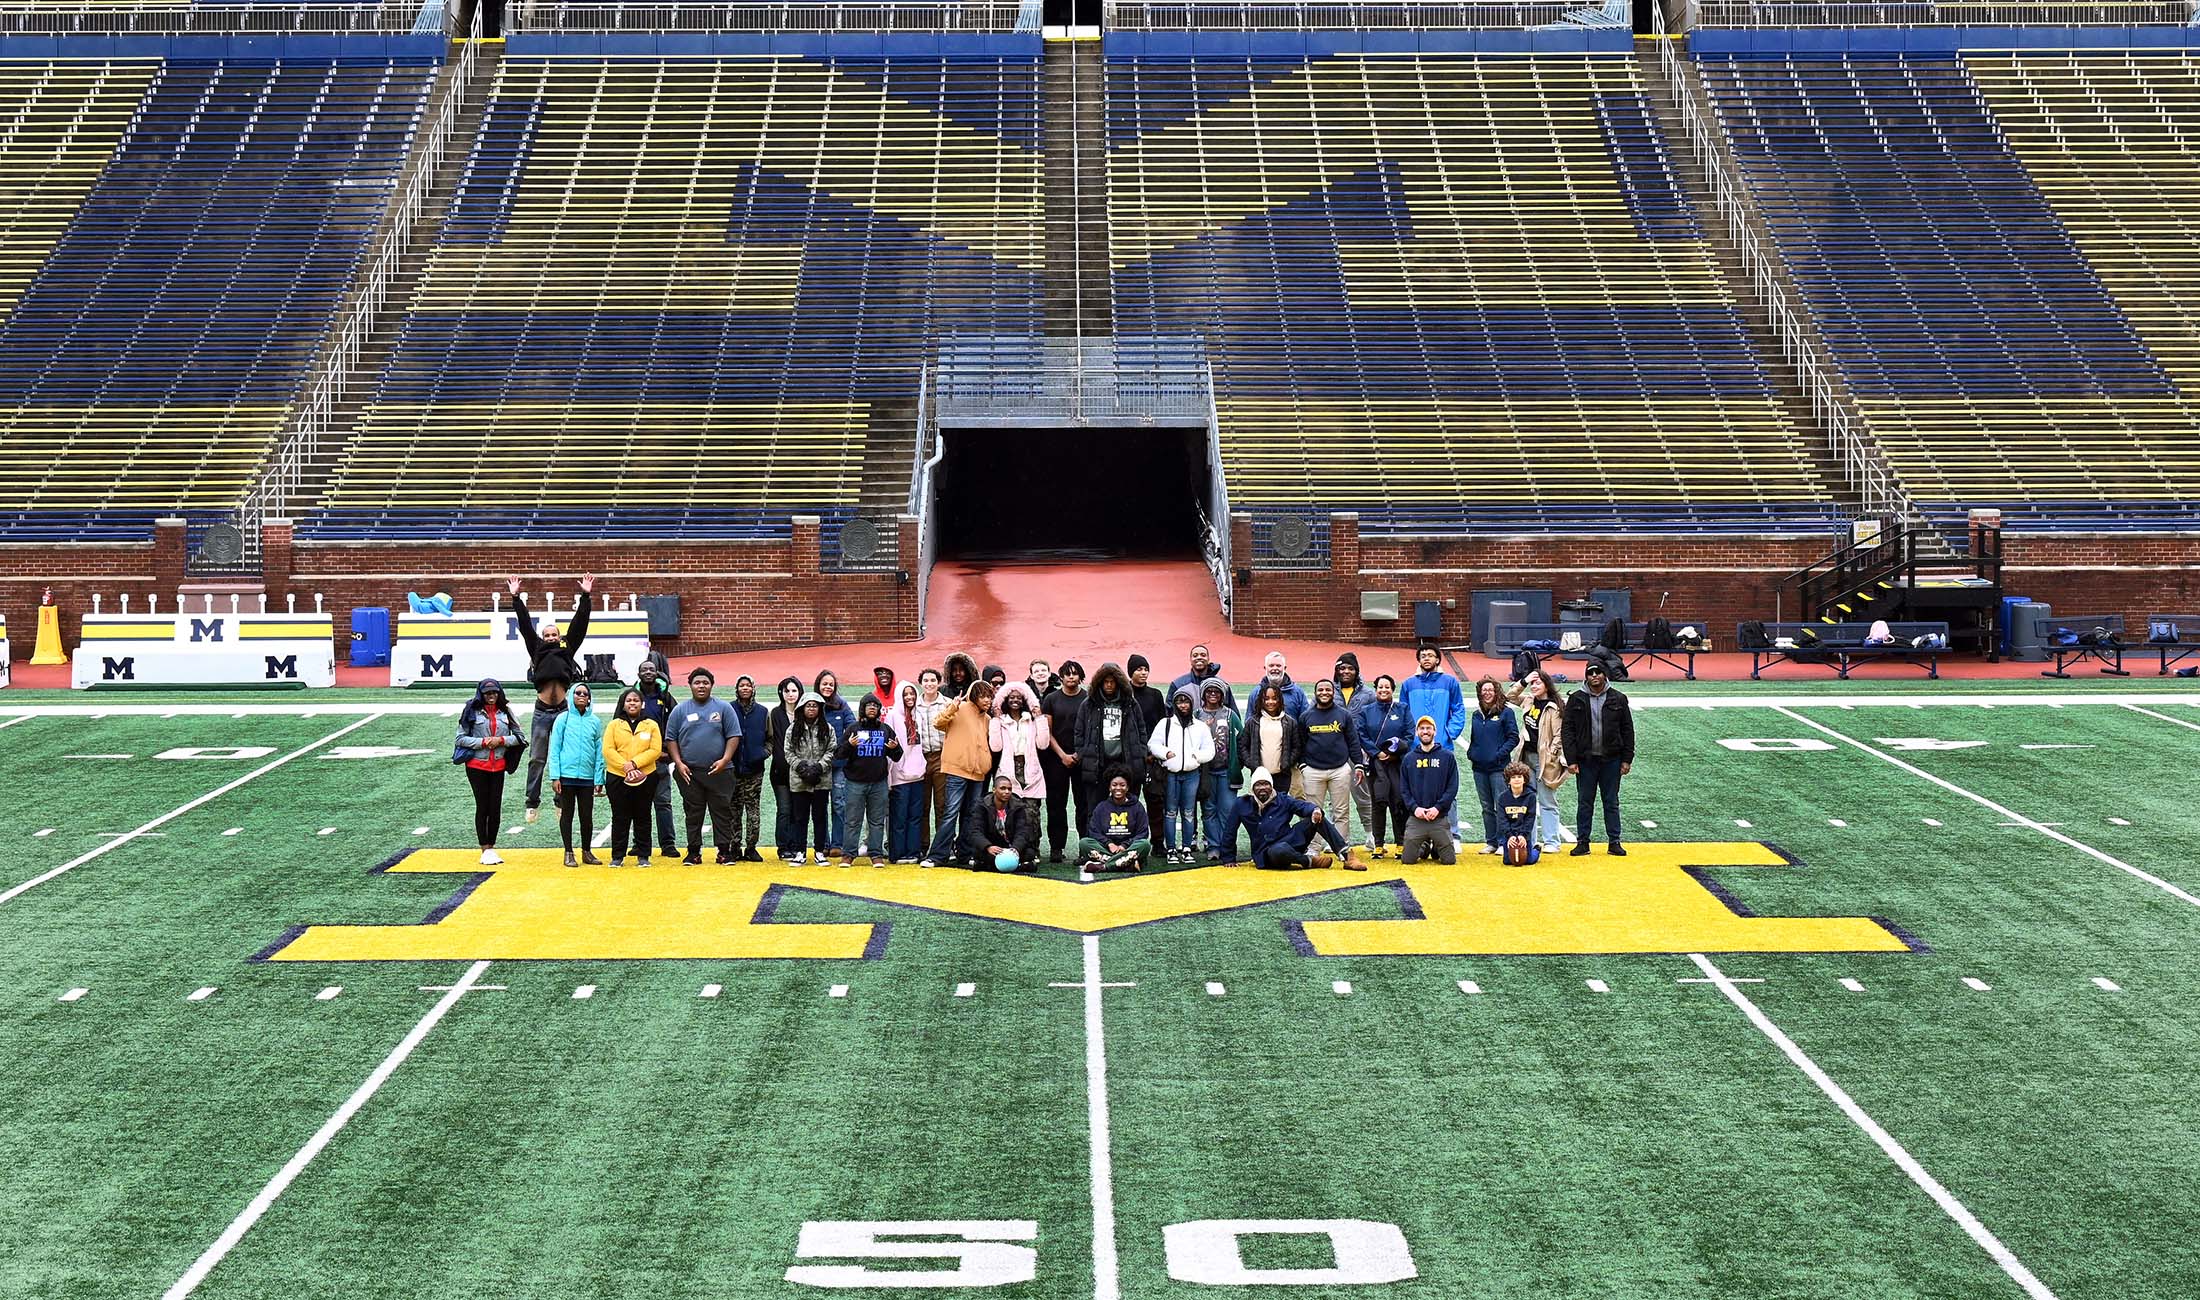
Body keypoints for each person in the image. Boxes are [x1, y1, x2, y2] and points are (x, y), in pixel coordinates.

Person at [507, 574, 594, 823]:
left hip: (564, 712)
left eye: (554, 634)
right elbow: (524, 625)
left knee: (564, 758)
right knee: (537, 758)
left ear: (560, 636)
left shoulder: (567, 650)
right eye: (547, 635)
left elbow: (580, 624)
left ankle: (560, 801)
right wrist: (515, 598)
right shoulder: (537, 649)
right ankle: (532, 802)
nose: (550, 638)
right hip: (543, 711)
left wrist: (585, 596)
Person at [667, 667, 742, 865]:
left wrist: (725, 760)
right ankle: (693, 852)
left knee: (722, 812)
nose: (701, 686)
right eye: (697, 683)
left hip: (720, 771)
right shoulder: (680, 710)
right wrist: (679, 763)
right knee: (693, 812)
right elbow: (671, 739)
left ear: (712, 685)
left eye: (705, 683)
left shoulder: (724, 708)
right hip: (690, 772)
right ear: (690, 685)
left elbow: (733, 735)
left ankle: (724, 852)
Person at [1218, 767, 1357, 871]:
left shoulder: (1282, 799)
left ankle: (1346, 855)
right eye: (1258, 785)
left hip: (1290, 841)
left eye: (1266, 784)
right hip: (1267, 853)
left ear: (1271, 786)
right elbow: (1230, 830)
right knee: (1279, 850)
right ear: (1252, 787)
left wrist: (1314, 810)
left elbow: (1302, 806)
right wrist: (1228, 858)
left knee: (1317, 817)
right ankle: (1308, 861)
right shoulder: (1241, 804)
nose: (1262, 788)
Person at [1563, 661, 1635, 856]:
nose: (1594, 676)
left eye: (1598, 672)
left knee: (1611, 801)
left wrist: (1627, 759)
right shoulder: (1576, 699)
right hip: (1585, 760)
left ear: (1605, 675)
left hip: (1611, 759)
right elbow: (1567, 731)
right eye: (1590, 673)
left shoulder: (1618, 698)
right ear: (1586, 676)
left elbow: (1627, 729)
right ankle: (1583, 842)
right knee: (1585, 802)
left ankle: (1614, 841)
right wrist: (1571, 760)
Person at [925, 679, 996, 868]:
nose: (987, 700)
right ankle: (937, 855)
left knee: (971, 815)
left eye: (989, 696)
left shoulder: (987, 719)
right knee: (951, 813)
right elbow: (938, 723)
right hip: (957, 770)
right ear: (974, 696)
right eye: (983, 696)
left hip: (978, 773)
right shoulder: (959, 708)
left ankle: (965, 854)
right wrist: (952, 707)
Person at [454, 677, 523, 865]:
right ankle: (484, 848)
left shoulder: (506, 711)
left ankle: (492, 847)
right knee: (482, 806)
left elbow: (520, 737)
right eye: (487, 693)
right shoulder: (471, 711)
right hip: (477, 765)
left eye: (494, 692)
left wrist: (501, 740)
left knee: (495, 808)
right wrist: (483, 742)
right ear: (481, 694)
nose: (491, 696)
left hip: (498, 765)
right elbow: (460, 739)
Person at [1148, 685, 1217, 864]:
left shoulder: (1200, 727)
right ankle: (1171, 848)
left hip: (1192, 773)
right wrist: (1165, 753)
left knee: (1188, 812)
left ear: (1191, 704)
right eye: (1179, 701)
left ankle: (1187, 847)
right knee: (1170, 812)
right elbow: (1153, 744)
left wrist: (1197, 757)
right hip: (1170, 774)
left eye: (1186, 701)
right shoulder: (1166, 723)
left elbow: (1210, 749)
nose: (1183, 705)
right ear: (1174, 704)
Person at [1506, 668, 1569, 853]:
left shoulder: (1554, 707)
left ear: (1547, 685)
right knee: (1527, 800)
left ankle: (1552, 842)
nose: (1534, 686)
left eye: (1537, 683)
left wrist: (1552, 755)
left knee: (1548, 800)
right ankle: (1529, 839)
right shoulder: (1528, 700)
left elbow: (1559, 735)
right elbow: (1509, 695)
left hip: (1545, 759)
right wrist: (1524, 681)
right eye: (1532, 683)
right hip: (1526, 757)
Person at [834, 694, 901, 865]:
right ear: (863, 708)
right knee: (852, 820)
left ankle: (876, 854)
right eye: (868, 705)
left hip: (878, 783)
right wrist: (850, 745)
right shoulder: (853, 729)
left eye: (875, 705)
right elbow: (839, 754)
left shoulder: (885, 730)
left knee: (877, 821)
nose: (872, 707)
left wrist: (894, 749)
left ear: (879, 710)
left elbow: (897, 755)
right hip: (855, 783)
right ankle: (848, 854)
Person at [1294, 678, 1365, 839]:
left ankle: (1341, 846)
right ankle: (1313, 847)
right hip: (1313, 770)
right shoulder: (1306, 717)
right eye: (1320, 690)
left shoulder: (1344, 715)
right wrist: (1303, 765)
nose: (1324, 692)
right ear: (1315, 693)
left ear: (1333, 692)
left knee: (1341, 811)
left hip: (1339, 769)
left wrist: (1359, 764)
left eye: (1328, 690)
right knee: (1313, 812)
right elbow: (1300, 744)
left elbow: (1353, 741)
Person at [545, 682, 606, 867]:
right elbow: (554, 748)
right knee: (568, 814)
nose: (581, 696)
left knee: (586, 815)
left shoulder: (594, 721)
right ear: (571, 696)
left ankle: (587, 851)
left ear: (589, 698)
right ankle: (569, 852)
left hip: (587, 778)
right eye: (577, 693)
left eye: (585, 694)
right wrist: (555, 776)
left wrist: (599, 778)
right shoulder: (563, 719)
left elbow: (599, 751)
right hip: (567, 776)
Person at [1075, 663, 1147, 817]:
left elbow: (1141, 730)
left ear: (1118, 682)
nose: (1109, 685)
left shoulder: (1130, 703)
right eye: (1105, 681)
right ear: (1099, 682)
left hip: (1124, 761)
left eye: (1112, 681)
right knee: (1095, 808)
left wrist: (1141, 751)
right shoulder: (1088, 704)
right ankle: (1095, 840)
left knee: (1128, 806)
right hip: (1098, 763)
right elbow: (1079, 733)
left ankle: (1127, 840)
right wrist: (1083, 754)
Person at [601, 687, 662, 866]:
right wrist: (625, 766)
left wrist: (635, 764)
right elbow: (608, 749)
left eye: (636, 700)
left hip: (646, 775)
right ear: (623, 704)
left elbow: (655, 750)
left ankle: (643, 856)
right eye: (629, 700)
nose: (632, 703)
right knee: (620, 816)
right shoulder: (614, 725)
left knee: (643, 815)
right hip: (617, 776)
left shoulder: (651, 725)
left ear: (642, 704)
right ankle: (617, 856)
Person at [1355, 673, 1411, 858]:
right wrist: (1376, 752)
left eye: (1387, 687)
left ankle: (1400, 844)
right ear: (1375, 689)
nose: (1384, 690)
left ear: (1392, 689)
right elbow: (1361, 734)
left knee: (1398, 803)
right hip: (1375, 764)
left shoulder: (1402, 709)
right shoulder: (1367, 710)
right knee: (1378, 804)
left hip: (1397, 764)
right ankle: (1378, 844)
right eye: (1380, 687)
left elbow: (1410, 734)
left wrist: (1394, 753)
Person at [989, 682, 1051, 849]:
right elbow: (995, 746)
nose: (1015, 700)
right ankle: (1013, 847)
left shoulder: (1031, 720)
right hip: (1009, 770)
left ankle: (1032, 848)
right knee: (1011, 810)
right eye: (1011, 697)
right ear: (1005, 700)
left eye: (1019, 697)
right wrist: (995, 718)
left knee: (1031, 812)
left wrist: (1039, 717)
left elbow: (1043, 744)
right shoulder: (1000, 721)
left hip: (1030, 769)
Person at [1038, 660, 1088, 863]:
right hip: (1056, 760)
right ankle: (1056, 847)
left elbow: (1090, 729)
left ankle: (1086, 847)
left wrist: (1078, 754)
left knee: (1083, 805)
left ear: (1080, 677)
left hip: (1082, 760)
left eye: (1075, 674)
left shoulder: (1087, 698)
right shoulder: (1051, 699)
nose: (1071, 677)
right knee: (1055, 805)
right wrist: (1063, 755)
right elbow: (1047, 732)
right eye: (1067, 674)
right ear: (1060, 677)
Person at [633, 659, 681, 859]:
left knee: (663, 803)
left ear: (657, 673)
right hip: (637, 762)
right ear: (639, 674)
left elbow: (677, 723)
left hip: (660, 759)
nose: (648, 673)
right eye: (644, 669)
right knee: (638, 804)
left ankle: (668, 844)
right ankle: (640, 844)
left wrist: (669, 752)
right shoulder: (631, 697)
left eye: (651, 669)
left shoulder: (666, 697)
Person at [1466, 677, 1520, 855]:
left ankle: (1504, 841)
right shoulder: (1476, 714)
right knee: (1486, 807)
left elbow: (1513, 738)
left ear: (1496, 692)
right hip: (1479, 768)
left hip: (1498, 768)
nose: (1487, 693)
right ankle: (1492, 841)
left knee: (1501, 805)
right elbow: (1474, 738)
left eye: (1490, 689)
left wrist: (1499, 755)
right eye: (1484, 690)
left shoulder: (1506, 713)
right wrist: (1472, 753)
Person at [782, 691, 835, 864]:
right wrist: (801, 767)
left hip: (821, 781)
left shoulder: (828, 729)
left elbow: (832, 750)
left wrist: (819, 767)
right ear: (801, 708)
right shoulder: (793, 728)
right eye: (808, 705)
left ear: (820, 708)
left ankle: (819, 851)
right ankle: (800, 851)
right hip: (799, 781)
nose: (811, 708)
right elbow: (788, 752)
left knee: (820, 817)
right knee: (800, 817)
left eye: (815, 705)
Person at [1398, 716, 1460, 865]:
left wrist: (1438, 808)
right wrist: (1415, 808)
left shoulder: (1447, 757)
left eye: (1428, 728)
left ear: (1434, 731)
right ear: (1417, 732)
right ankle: (1424, 845)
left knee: (1449, 860)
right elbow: (1404, 790)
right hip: (1417, 818)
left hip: (1438, 817)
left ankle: (1437, 846)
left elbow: (1452, 787)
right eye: (1422, 729)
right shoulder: (1409, 759)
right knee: (1407, 860)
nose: (1425, 732)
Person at [1194, 679, 1242, 862]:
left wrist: (1237, 762)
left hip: (1226, 772)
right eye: (1209, 691)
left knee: (1228, 810)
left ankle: (1227, 846)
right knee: (1208, 809)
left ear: (1223, 695)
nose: (1212, 694)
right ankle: (1213, 846)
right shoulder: (1196, 715)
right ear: (1203, 694)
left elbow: (1241, 739)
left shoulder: (1230, 715)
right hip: (1204, 773)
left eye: (1216, 691)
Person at [886, 681, 929, 863]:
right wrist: (889, 776)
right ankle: (897, 852)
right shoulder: (893, 716)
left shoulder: (919, 715)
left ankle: (913, 851)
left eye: (912, 693)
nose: (910, 697)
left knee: (915, 815)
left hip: (918, 773)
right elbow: (889, 748)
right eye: (906, 694)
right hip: (899, 775)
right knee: (899, 816)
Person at [728, 674, 771, 861]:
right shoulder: (729, 709)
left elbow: (770, 739)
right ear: (737, 689)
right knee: (733, 810)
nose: (745, 688)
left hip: (755, 770)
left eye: (748, 685)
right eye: (741, 685)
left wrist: (762, 753)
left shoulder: (762, 712)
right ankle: (734, 846)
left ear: (754, 688)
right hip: (733, 769)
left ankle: (751, 847)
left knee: (753, 810)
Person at [1126, 655, 1169, 837]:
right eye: (1138, 669)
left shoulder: (1155, 695)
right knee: (1131, 799)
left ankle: (1158, 842)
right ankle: (1131, 839)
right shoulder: (1125, 694)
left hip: (1153, 757)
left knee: (1156, 801)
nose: (1143, 673)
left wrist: (1154, 751)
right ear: (1130, 672)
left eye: (1145, 669)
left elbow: (1162, 724)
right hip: (1132, 757)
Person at [814, 670, 857, 850]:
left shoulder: (842, 706)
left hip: (839, 764)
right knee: (820, 805)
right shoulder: (812, 704)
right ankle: (823, 843)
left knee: (839, 804)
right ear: (818, 685)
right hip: (818, 765)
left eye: (831, 684)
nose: (828, 687)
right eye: (824, 683)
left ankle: (838, 844)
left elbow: (852, 728)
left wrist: (840, 750)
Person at [1078, 772, 1152, 873]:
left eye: (1122, 785)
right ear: (1109, 788)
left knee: (1145, 845)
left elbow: (1143, 833)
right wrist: (1109, 844)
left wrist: (1124, 845)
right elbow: (1094, 831)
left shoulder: (1137, 807)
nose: (1118, 788)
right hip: (1107, 848)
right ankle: (1126, 864)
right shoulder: (1101, 807)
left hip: (1128, 848)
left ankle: (1104, 866)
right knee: (1084, 843)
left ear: (1127, 788)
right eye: (1114, 785)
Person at [765, 676, 805, 862]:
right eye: (786, 690)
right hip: (780, 772)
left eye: (794, 690)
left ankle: (797, 846)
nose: (790, 694)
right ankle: (783, 846)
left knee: (799, 810)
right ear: (781, 693)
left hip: (801, 772)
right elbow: (776, 742)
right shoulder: (775, 714)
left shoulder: (805, 712)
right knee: (784, 809)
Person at [1400, 644, 1466, 753]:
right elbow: (1403, 713)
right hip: (1415, 744)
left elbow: (1458, 708)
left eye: (1430, 655)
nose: (1426, 658)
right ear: (1419, 660)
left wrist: (1450, 732)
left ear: (1437, 660)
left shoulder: (1450, 682)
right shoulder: (1408, 684)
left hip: (1442, 743)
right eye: (1423, 656)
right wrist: (1409, 735)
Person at [1241, 682, 1302, 792]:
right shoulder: (1253, 722)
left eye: (1274, 698)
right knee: (1261, 806)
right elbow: (1243, 746)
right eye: (1266, 699)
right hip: (1260, 775)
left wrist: (1287, 763)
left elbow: (1297, 747)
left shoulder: (1290, 722)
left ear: (1280, 700)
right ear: (1261, 700)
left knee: (1280, 805)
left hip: (1282, 775)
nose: (1270, 702)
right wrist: (1251, 763)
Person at [971, 773, 1039, 871]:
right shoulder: (982, 806)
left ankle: (988, 867)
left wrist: (1016, 848)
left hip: (1012, 847)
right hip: (994, 847)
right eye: (1002, 788)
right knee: (978, 852)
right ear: (994, 790)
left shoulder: (1018, 806)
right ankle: (1021, 867)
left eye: (1009, 789)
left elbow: (1023, 831)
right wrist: (988, 846)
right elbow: (975, 831)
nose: (1007, 792)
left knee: (1030, 853)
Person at [914, 667, 949, 849]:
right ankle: (922, 846)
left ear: (939, 683)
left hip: (941, 757)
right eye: (926, 681)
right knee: (923, 806)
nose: (929, 684)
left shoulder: (947, 704)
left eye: (933, 680)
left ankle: (943, 847)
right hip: (920, 758)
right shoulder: (913, 706)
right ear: (921, 683)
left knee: (942, 805)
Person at [1497, 761, 1540, 865]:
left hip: (1524, 834)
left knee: (1527, 861)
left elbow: (1530, 818)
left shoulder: (1530, 796)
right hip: (1509, 835)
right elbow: (1502, 820)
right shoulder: (1503, 798)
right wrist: (1510, 836)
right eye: (1513, 777)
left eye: (1519, 777)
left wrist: (1523, 835)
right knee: (1508, 861)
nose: (1517, 780)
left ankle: (1536, 850)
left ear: (1524, 779)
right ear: (1508, 780)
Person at [1258, 651, 1310, 719]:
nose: (1275, 668)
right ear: (1265, 668)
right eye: (1271, 666)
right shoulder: (1256, 693)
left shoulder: (1298, 693)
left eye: (1278, 666)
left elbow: (1306, 720)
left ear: (1284, 668)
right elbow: (1249, 723)